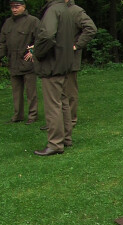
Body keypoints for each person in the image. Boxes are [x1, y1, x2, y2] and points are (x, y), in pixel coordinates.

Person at [40, 0, 96, 131]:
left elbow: (91, 28)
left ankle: (70, 121)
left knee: (69, 91)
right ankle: (57, 122)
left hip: (70, 59)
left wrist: (76, 45)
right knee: (58, 93)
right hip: (57, 59)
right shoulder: (56, 10)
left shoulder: (75, 10)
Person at [33, 0, 75, 156]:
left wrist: (37, 52)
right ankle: (66, 138)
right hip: (63, 63)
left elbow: (48, 35)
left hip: (53, 64)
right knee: (63, 101)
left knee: (53, 105)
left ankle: (55, 143)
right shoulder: (66, 11)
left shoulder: (53, 10)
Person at [0, 0, 40, 125]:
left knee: (30, 91)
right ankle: (18, 115)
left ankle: (32, 115)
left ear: (24, 7)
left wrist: (34, 51)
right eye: (12, 7)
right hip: (13, 62)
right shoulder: (8, 23)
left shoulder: (33, 21)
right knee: (16, 92)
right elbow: (2, 42)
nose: (14, 9)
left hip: (27, 61)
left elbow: (42, 38)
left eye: (17, 6)